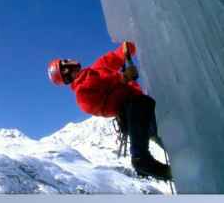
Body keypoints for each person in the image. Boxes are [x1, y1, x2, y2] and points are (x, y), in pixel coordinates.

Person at [47, 41, 172, 181]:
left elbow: (115, 57)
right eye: (65, 63)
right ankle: (140, 157)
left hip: (144, 116)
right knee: (140, 103)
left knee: (144, 105)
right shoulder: (82, 94)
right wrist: (122, 78)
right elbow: (98, 91)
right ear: (65, 70)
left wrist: (128, 47)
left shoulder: (97, 69)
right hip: (139, 118)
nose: (70, 61)